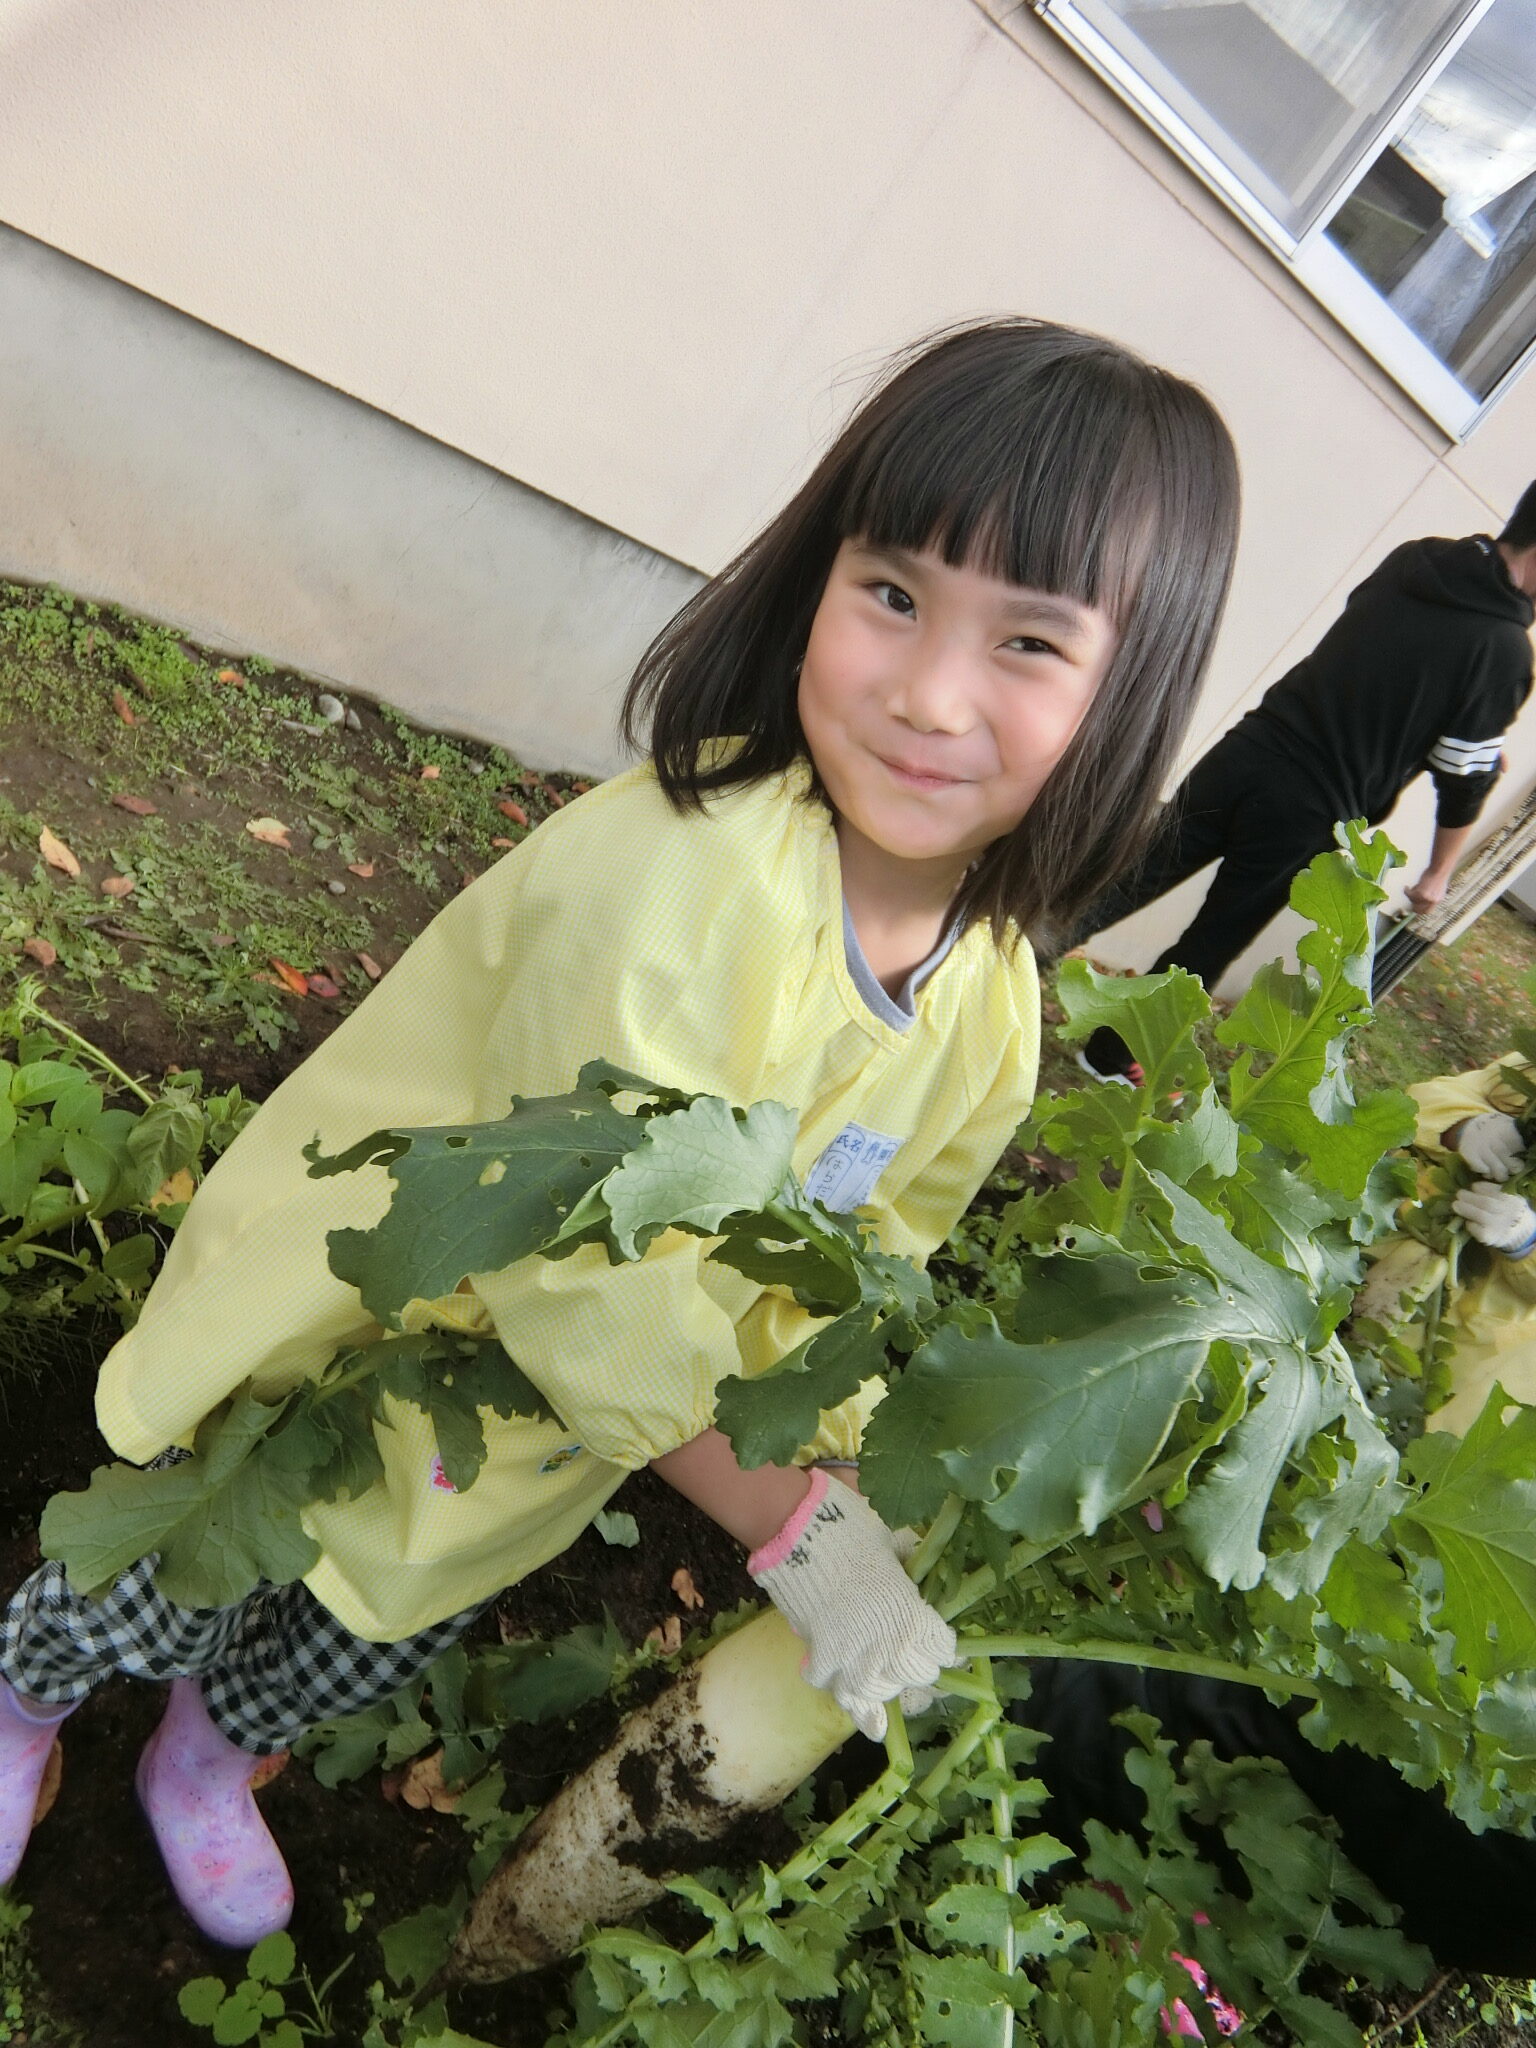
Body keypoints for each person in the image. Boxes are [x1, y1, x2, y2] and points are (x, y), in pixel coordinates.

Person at [0, 320, 1241, 1944]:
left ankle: (205, 1763)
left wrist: (850, 1441)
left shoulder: (993, 1006)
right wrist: (789, 1520)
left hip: (527, 1449)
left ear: (1127, 694)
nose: (931, 692)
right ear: (816, 573)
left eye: (1027, 643)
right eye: (891, 594)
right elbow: (575, 1263)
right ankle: (24, 1707)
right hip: (355, 1324)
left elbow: (866, 1262)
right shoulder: (677, 877)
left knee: (364, 1624)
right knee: (175, 1559)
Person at [1025, 1055, 1536, 1977]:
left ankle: (1078, 1706)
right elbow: (1411, 1104)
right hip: (1375, 1337)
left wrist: (1532, 1244)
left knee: (1340, 1641)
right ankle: (1127, 1611)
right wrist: (1467, 1128)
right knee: (1256, 1494)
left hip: (1478, 1430)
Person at [1076, 490, 1536, 1084]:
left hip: (1248, 749)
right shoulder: (1504, 651)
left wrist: (1443, 734)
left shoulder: (1416, 561)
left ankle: (991, 958)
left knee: (1130, 874)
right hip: (1309, 808)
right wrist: (1437, 875)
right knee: (1213, 940)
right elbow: (1463, 778)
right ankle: (1111, 1056)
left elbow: (1376, 661)